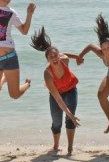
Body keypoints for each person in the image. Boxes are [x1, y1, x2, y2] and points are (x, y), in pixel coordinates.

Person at [30, 27, 81, 155]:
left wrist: (78, 57)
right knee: (56, 121)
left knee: (70, 121)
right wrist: (70, 114)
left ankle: (70, 148)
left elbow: (67, 55)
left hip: (71, 91)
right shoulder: (47, 74)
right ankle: (56, 146)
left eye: (55, 55)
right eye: (51, 56)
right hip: (56, 95)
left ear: (59, 55)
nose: (54, 58)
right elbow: (58, 99)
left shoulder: (64, 59)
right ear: (47, 59)